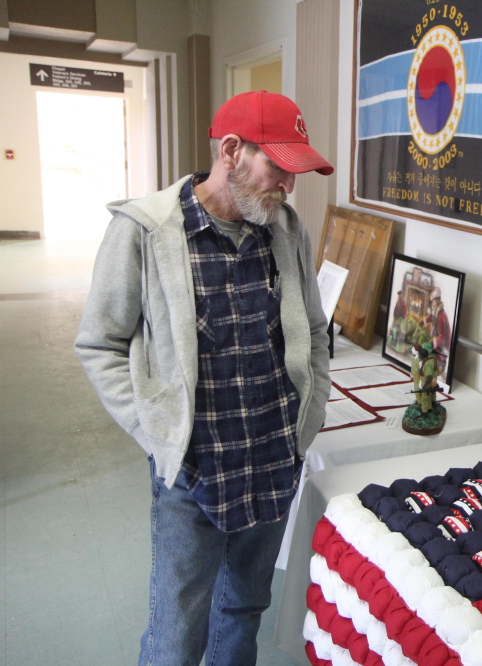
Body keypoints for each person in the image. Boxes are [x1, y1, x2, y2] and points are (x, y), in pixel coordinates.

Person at [74, 90, 334, 665]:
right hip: (193, 474)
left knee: (243, 609)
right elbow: (100, 343)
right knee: (176, 631)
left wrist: (307, 419)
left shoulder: (286, 230)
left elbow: (315, 330)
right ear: (233, 152)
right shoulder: (146, 231)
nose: (289, 185)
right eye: (279, 168)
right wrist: (156, 428)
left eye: (296, 173)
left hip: (273, 462)